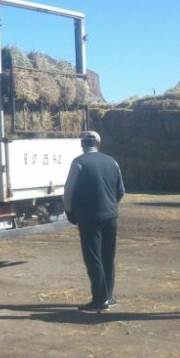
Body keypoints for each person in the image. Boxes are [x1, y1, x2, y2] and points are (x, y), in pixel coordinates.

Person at [64, 130, 125, 312]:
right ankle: (108, 296)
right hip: (111, 216)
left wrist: (70, 211)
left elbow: (68, 191)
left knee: (93, 258)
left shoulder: (78, 163)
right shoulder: (112, 161)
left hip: (89, 217)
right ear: (99, 144)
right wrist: (110, 205)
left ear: (82, 145)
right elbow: (121, 190)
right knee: (108, 257)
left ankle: (99, 299)